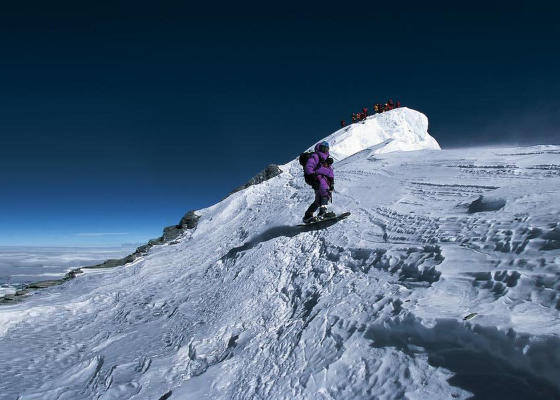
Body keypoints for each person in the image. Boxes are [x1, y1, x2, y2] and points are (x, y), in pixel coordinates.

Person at [303, 142, 336, 223]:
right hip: (317, 178)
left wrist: (332, 184)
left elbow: (330, 173)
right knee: (325, 193)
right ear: (318, 148)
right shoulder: (315, 156)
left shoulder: (326, 161)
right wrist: (312, 176)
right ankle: (322, 213)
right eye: (323, 148)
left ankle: (308, 216)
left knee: (318, 200)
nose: (324, 150)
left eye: (326, 149)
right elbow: (309, 166)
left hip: (324, 180)